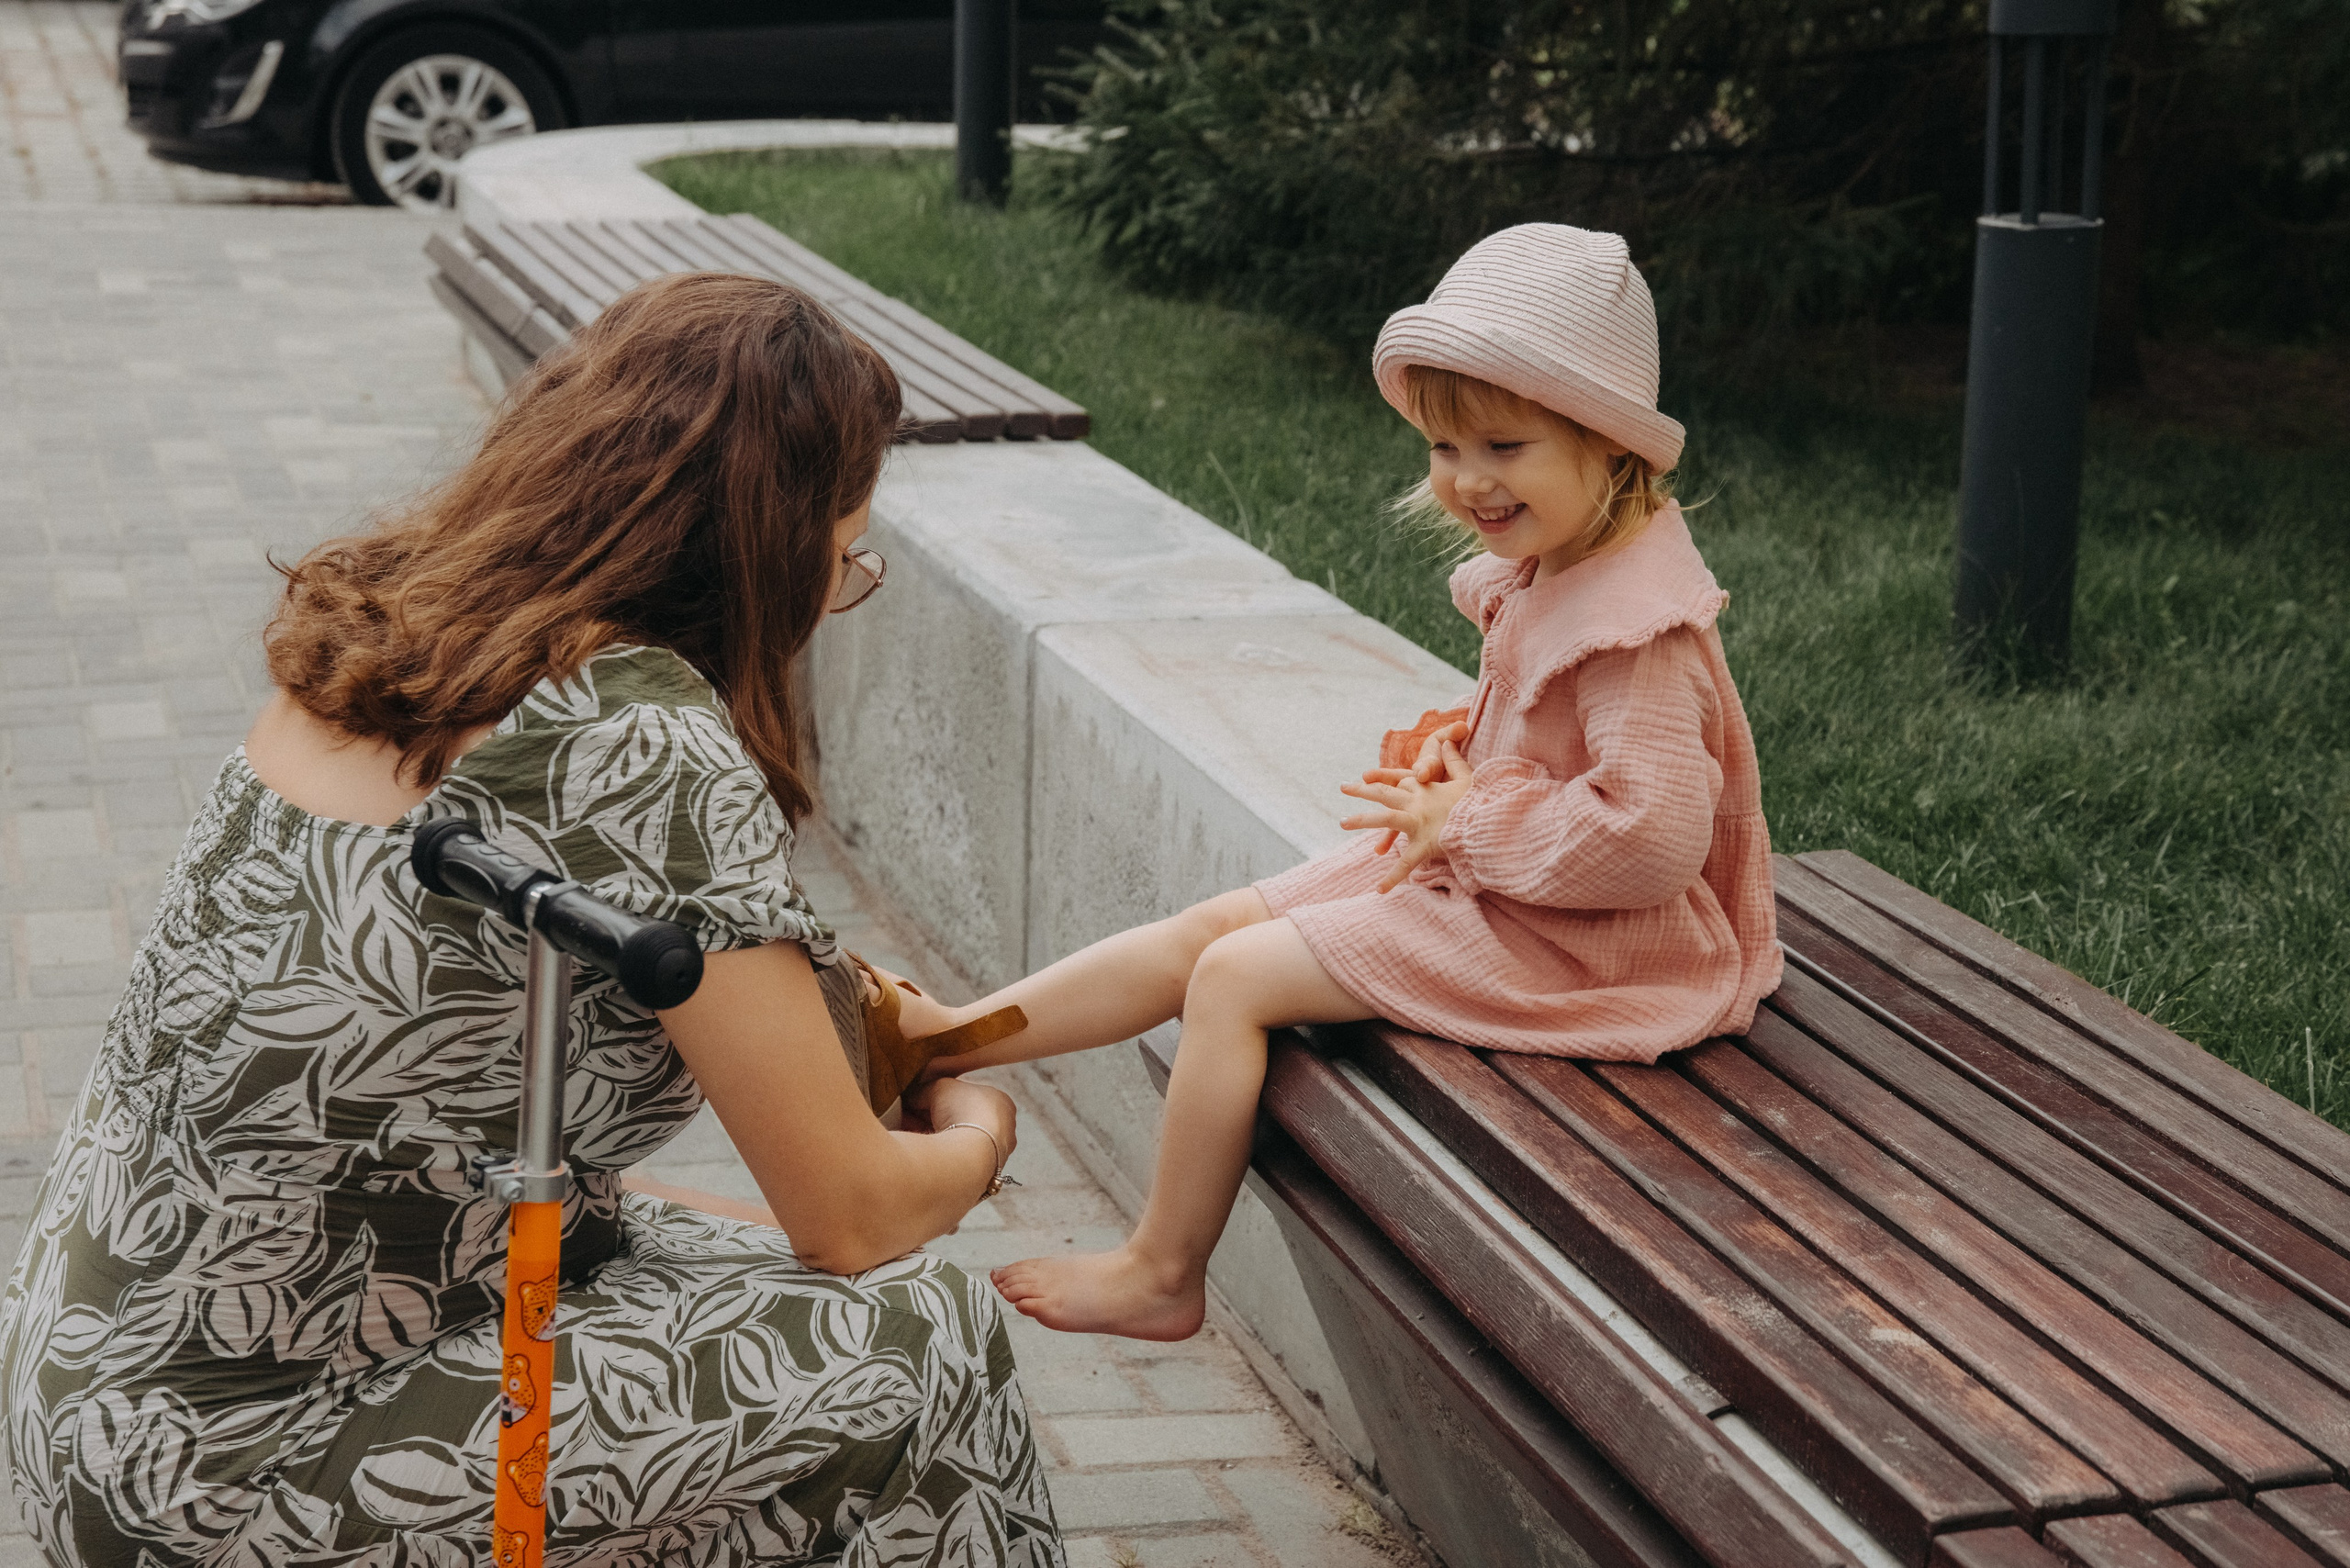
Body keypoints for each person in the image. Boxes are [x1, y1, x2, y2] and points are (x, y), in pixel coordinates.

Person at [0, 274, 1064, 1566]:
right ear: (769, 548)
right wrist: (984, 1135)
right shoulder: (638, 741)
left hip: (99, 1391)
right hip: (239, 1477)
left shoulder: (375, 625)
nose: (835, 596)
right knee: (920, 1340)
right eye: (846, 561)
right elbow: (848, 1210)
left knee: (698, 1266)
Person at [919, 224, 1783, 1342]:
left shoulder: (1635, 632)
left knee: (1233, 977)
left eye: (1503, 446)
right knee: (1216, 924)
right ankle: (950, 1038)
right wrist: (1461, 761)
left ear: (1612, 446)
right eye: (1442, 446)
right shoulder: (1561, 569)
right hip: (1516, 885)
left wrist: (1468, 813)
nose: (1467, 480)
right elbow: (1550, 747)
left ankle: (1161, 1269)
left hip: (1602, 943)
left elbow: (1653, 835)